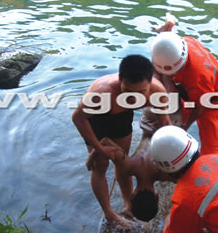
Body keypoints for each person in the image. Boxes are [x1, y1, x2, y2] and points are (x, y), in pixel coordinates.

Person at [72, 55, 171, 224]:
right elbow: (78, 118)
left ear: (150, 82)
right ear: (120, 80)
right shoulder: (102, 93)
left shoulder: (157, 91)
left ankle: (128, 203)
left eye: (141, 92)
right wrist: (99, 148)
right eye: (128, 91)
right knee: (100, 165)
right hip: (96, 117)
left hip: (121, 116)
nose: (134, 98)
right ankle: (109, 213)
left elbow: (165, 124)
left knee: (122, 159)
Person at [151, 14, 218, 155]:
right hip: (185, 90)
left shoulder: (199, 76)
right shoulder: (170, 46)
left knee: (212, 151)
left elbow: (199, 108)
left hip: (214, 101)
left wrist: (184, 127)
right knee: (169, 126)